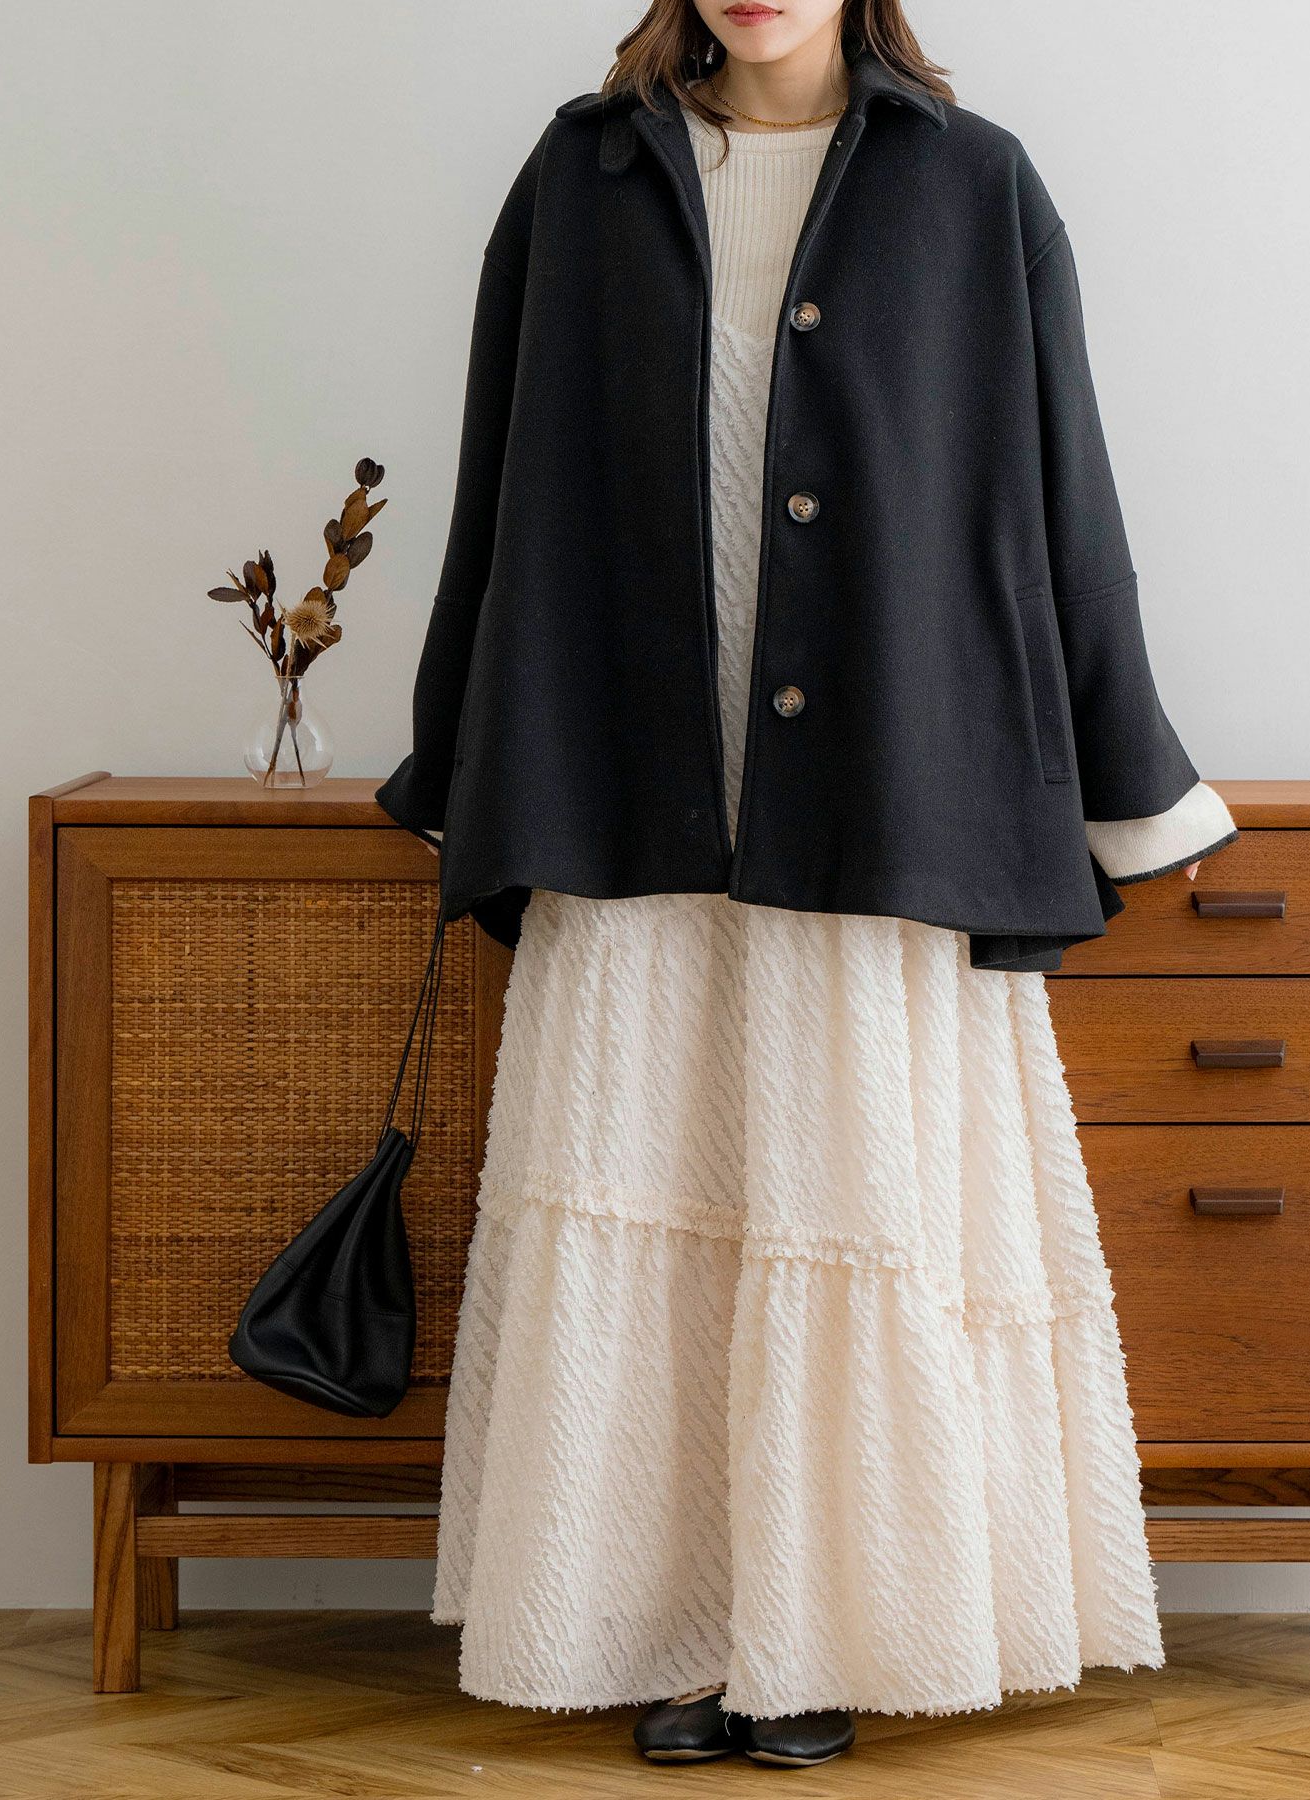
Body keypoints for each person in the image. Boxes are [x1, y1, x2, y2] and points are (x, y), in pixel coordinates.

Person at [379, 0, 1238, 1769]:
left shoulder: (974, 184)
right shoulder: (580, 177)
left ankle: (827, 1635)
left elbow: (1066, 495)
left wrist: (1130, 781)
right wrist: (466, 753)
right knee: (656, 1201)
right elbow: (500, 487)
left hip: (877, 800)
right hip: (632, 791)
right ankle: (667, 1628)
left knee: (851, 1209)